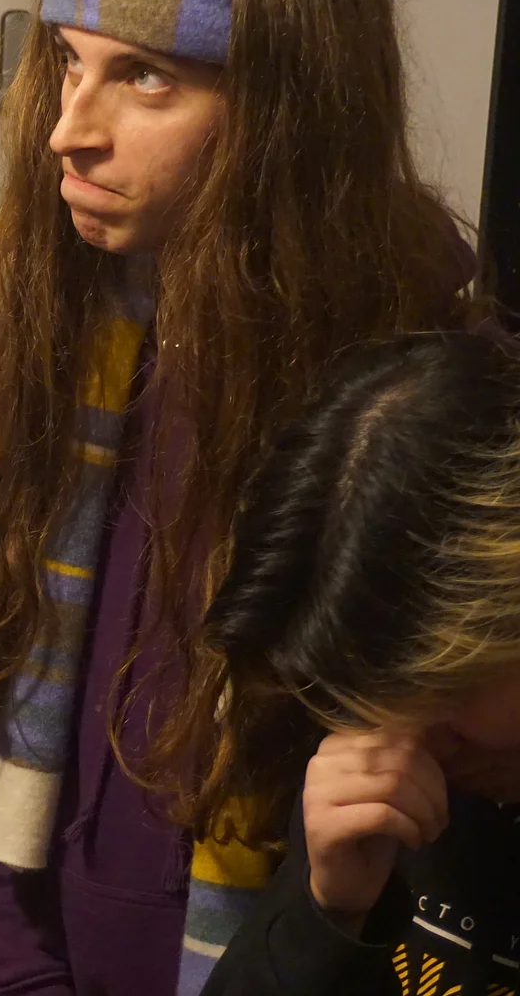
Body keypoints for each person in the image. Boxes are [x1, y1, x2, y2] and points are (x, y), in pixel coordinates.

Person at [0, 0, 478, 996]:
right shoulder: (49, 340)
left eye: (146, 79)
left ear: (284, 113)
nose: (70, 129)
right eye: (67, 64)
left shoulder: (422, 391)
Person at [196, 333, 520, 996]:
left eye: (439, 693)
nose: (404, 750)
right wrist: (327, 914)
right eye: (367, 707)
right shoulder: (378, 774)